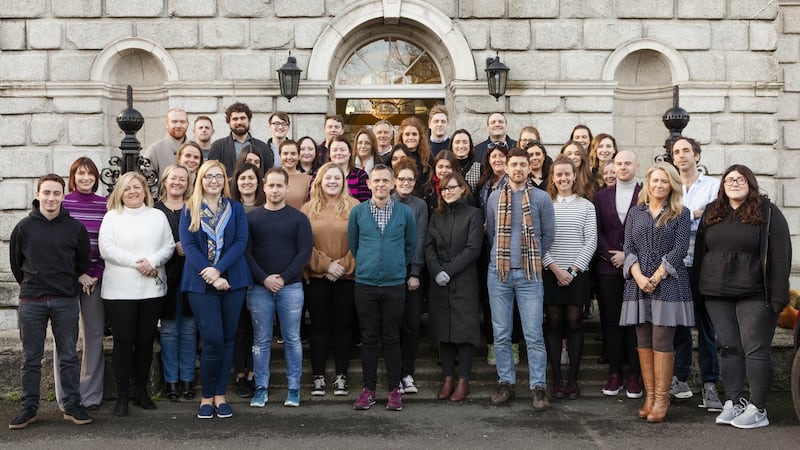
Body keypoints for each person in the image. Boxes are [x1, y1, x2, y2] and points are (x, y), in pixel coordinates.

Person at [693, 164, 791, 429]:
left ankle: (758, 408)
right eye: (729, 179)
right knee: (729, 348)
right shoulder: (713, 211)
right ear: (723, 184)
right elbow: (701, 251)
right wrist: (698, 289)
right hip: (716, 292)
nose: (734, 183)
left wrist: (779, 295)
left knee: (755, 350)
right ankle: (734, 401)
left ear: (750, 183)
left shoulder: (767, 212)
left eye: (740, 179)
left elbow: (781, 254)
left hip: (755, 293)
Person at [9, 174, 92, 429]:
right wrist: (32, 284)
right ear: (37, 195)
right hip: (32, 301)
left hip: (65, 300)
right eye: (46, 193)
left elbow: (83, 263)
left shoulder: (75, 228)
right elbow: (16, 265)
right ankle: (29, 407)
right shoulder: (23, 228)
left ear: (63, 196)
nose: (51, 198)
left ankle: (72, 405)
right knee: (30, 358)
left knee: (68, 356)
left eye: (56, 193)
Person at [620, 162, 693, 423]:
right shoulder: (635, 213)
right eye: (655, 180)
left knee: (662, 340)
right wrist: (639, 277)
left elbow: (680, 249)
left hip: (669, 282)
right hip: (638, 284)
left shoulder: (681, 213)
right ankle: (649, 396)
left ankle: (662, 398)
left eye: (664, 181)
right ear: (647, 184)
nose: (659, 185)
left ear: (671, 185)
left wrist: (658, 275)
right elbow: (628, 247)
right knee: (643, 341)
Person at [99, 171, 175, 417]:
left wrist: (152, 260)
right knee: (123, 343)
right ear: (120, 192)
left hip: (151, 290)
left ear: (145, 190)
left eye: (137, 187)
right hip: (119, 292)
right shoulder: (112, 217)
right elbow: (106, 249)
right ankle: (122, 396)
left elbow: (169, 246)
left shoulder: (157, 216)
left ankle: (141, 392)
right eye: (127, 188)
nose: (132, 191)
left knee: (144, 342)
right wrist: (138, 263)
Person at [485, 147, 555, 411]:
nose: (517, 169)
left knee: (534, 334)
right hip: (499, 274)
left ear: (528, 168)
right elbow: (492, 233)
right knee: (501, 333)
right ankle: (506, 382)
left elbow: (548, 236)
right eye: (512, 164)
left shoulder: (541, 198)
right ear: (506, 167)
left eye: (522, 165)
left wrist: (531, 258)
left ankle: (538, 387)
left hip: (530, 274)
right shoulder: (493, 198)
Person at [180, 160, 251, 419]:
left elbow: (241, 242)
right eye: (208, 176)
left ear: (225, 180)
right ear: (200, 179)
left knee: (229, 340)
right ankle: (206, 396)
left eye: (218, 176)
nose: (213, 181)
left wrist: (219, 269)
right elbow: (189, 246)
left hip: (233, 280)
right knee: (212, 341)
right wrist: (211, 275)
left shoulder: (235, 208)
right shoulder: (190, 208)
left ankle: (221, 395)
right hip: (200, 282)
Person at [348, 164, 416, 412]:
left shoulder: (405, 213)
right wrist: (368, 264)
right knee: (368, 338)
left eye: (385, 180)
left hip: (394, 284)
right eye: (376, 180)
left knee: (391, 337)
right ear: (369, 184)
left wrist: (395, 265)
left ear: (393, 183)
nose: (380, 185)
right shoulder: (358, 213)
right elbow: (354, 245)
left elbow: (410, 247)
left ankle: (394, 390)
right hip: (365, 284)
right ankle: (368, 390)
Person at [245, 168, 313, 408]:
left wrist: (283, 277)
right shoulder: (251, 218)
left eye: (279, 185)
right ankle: (261, 387)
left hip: (291, 287)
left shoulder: (298, 218)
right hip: (258, 288)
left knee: (292, 338)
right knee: (261, 340)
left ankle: (293, 388)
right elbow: (246, 252)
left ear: (286, 188)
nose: (274, 190)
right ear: (264, 187)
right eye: (270, 185)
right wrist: (264, 278)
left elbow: (304, 251)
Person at [668, 137, 722, 410]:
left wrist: (688, 217)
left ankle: (710, 385)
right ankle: (680, 380)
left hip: (703, 267)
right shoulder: (671, 187)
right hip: (677, 267)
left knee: (706, 328)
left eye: (685, 151)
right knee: (679, 328)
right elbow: (666, 221)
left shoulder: (713, 186)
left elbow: (715, 218)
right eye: (676, 152)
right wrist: (694, 215)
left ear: (697, 156)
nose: (681, 156)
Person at [301, 162, 360, 397]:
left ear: (344, 181)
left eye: (337, 178)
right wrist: (327, 265)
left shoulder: (355, 208)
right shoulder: (307, 209)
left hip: (347, 277)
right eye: (328, 178)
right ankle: (318, 377)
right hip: (317, 277)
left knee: (343, 328)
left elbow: (360, 243)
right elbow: (304, 244)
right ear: (320, 182)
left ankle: (341, 377)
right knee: (319, 328)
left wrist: (342, 266)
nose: (332, 182)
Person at [52, 158, 106, 412]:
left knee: (94, 335)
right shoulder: (64, 204)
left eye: (90, 174)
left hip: (94, 279)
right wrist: (78, 274)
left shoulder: (104, 205)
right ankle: (66, 396)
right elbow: (56, 245)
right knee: (64, 337)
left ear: (96, 177)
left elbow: (107, 244)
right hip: (66, 279)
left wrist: (95, 273)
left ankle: (91, 394)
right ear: (73, 177)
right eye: (80, 174)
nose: (86, 178)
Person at [541, 156, 597, 400]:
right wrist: (555, 268)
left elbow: (591, 241)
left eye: (567, 174)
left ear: (575, 177)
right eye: (559, 174)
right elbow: (540, 240)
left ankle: (573, 380)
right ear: (553, 177)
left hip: (577, 274)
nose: (563, 178)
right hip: (551, 272)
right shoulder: (545, 204)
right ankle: (557, 379)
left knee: (574, 322)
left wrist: (573, 270)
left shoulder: (586, 206)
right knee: (553, 322)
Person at [425, 172, 483, 402]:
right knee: (444, 332)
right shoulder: (436, 215)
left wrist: (448, 270)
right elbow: (428, 246)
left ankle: (463, 380)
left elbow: (472, 249)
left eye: (452, 188)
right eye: (444, 189)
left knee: (463, 332)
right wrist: (436, 270)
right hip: (439, 281)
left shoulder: (473, 215)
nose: (448, 192)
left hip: (463, 281)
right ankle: (447, 377)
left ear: (463, 189)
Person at [593, 150, 642, 399]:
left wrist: (629, 255)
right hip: (607, 268)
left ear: (637, 166)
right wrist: (611, 255)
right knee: (611, 321)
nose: (622, 167)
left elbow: (650, 230)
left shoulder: (646, 194)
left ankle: (634, 375)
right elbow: (596, 230)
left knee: (634, 321)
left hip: (638, 270)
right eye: (618, 164)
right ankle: (615, 373)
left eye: (627, 163)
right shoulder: (600, 197)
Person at [155, 165, 197, 402]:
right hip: (165, 276)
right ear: (165, 181)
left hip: (191, 275)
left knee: (190, 329)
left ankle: (188, 378)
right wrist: (173, 249)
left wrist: (188, 249)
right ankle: (171, 380)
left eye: (182, 179)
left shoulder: (194, 209)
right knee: (170, 330)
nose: (178, 183)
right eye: (173, 179)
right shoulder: (155, 211)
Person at [392, 159, 429, 395]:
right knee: (392, 326)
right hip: (389, 272)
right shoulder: (387, 202)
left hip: (411, 271)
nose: (405, 183)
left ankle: (408, 374)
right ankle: (394, 375)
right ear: (394, 181)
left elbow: (420, 239)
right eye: (402, 179)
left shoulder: (420, 205)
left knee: (412, 325)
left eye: (410, 179)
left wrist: (415, 272)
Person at [228, 162, 265, 397]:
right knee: (239, 328)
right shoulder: (230, 208)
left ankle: (254, 373)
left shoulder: (266, 207)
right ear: (236, 182)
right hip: (235, 274)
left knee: (258, 329)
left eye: (251, 178)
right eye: (242, 179)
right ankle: (240, 373)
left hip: (261, 274)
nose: (247, 182)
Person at [208, 102, 273, 175]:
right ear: (229, 122)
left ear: (249, 120)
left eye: (242, 118)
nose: (239, 122)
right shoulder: (218, 146)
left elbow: (268, 174)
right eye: (235, 119)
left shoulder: (263, 147)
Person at [142, 108, 189, 178]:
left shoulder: (194, 149)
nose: (179, 125)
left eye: (182, 122)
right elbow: (147, 181)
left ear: (188, 124)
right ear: (166, 124)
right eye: (174, 122)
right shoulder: (154, 150)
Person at [325, 135, 371, 202]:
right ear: (329, 153)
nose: (338, 153)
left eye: (342, 150)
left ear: (349, 153)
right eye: (334, 150)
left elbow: (365, 203)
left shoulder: (361, 175)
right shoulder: (320, 174)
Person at [398, 117, 433, 195]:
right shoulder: (396, 156)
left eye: (414, 134)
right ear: (402, 137)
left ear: (420, 137)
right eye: (407, 134)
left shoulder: (428, 158)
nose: (411, 137)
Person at [280, 139, 312, 209]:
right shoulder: (272, 178)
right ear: (280, 156)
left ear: (299, 156)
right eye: (285, 153)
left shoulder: (308, 180)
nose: (289, 157)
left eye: (293, 154)